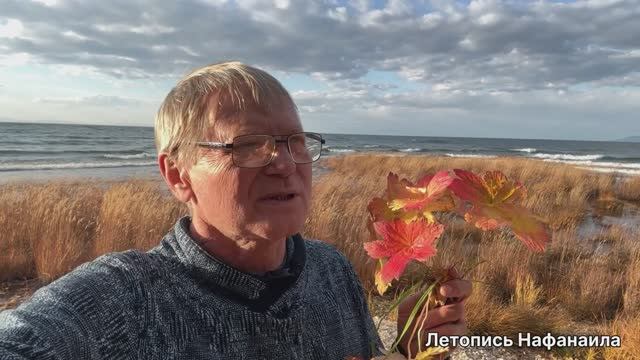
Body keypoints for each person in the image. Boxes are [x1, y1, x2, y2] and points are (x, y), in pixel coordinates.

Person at [0, 62, 471, 359]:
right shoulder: (125, 300)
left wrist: (408, 348)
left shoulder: (333, 270)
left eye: (295, 142)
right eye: (248, 146)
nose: (285, 163)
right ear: (178, 175)